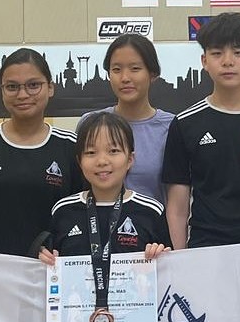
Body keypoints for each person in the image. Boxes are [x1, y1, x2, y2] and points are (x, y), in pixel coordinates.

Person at [161, 12, 240, 248]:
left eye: (238, 53)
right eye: (217, 53)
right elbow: (177, 207)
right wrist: (180, 257)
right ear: (204, 61)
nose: (228, 61)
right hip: (208, 246)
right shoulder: (185, 123)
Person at [0, 48, 82, 256]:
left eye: (33, 85)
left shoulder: (71, 147)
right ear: (2, 91)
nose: (23, 95)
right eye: (12, 87)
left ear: (50, 88)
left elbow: (80, 215)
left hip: (48, 268)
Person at [40, 111, 171, 263]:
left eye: (113, 151)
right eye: (91, 152)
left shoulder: (152, 211)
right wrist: (45, 259)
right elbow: (46, 264)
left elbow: (169, 269)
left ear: (130, 159)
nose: (102, 161)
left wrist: (160, 255)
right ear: (79, 161)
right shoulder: (62, 211)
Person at [79, 34, 173, 203]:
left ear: (152, 74)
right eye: (116, 70)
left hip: (153, 219)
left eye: (135, 69)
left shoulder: (171, 127)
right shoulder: (90, 123)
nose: (125, 78)